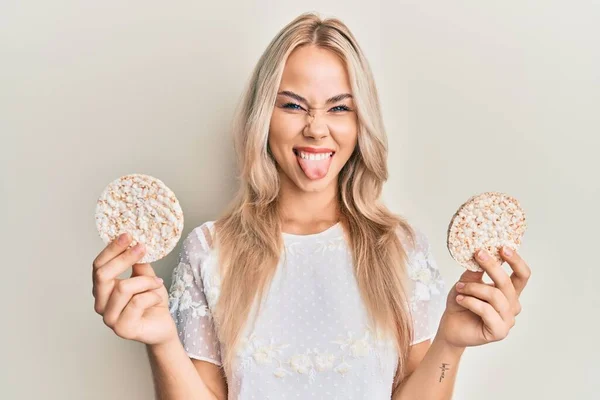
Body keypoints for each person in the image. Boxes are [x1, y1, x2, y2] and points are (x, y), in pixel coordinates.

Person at [91, 12, 531, 400]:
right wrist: (163, 342)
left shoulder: (401, 249)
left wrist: (450, 345)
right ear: (264, 115)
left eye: (339, 107)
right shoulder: (210, 251)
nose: (316, 128)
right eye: (293, 105)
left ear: (362, 124)